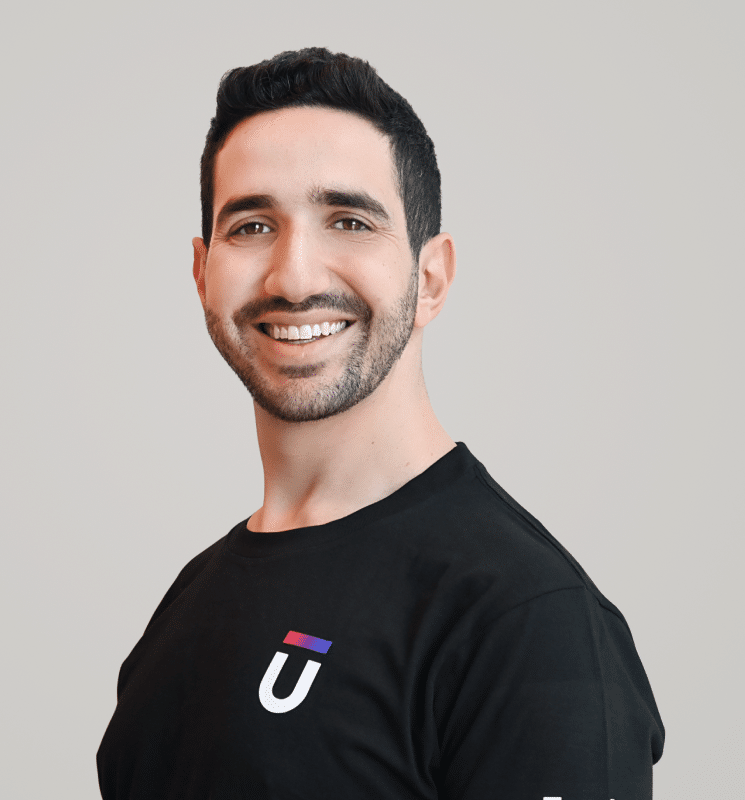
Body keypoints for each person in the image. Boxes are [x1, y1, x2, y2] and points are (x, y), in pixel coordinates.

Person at [97, 47, 665, 799]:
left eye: (349, 220)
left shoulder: (524, 620)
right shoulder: (189, 602)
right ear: (203, 272)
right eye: (252, 225)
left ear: (430, 279)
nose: (294, 277)